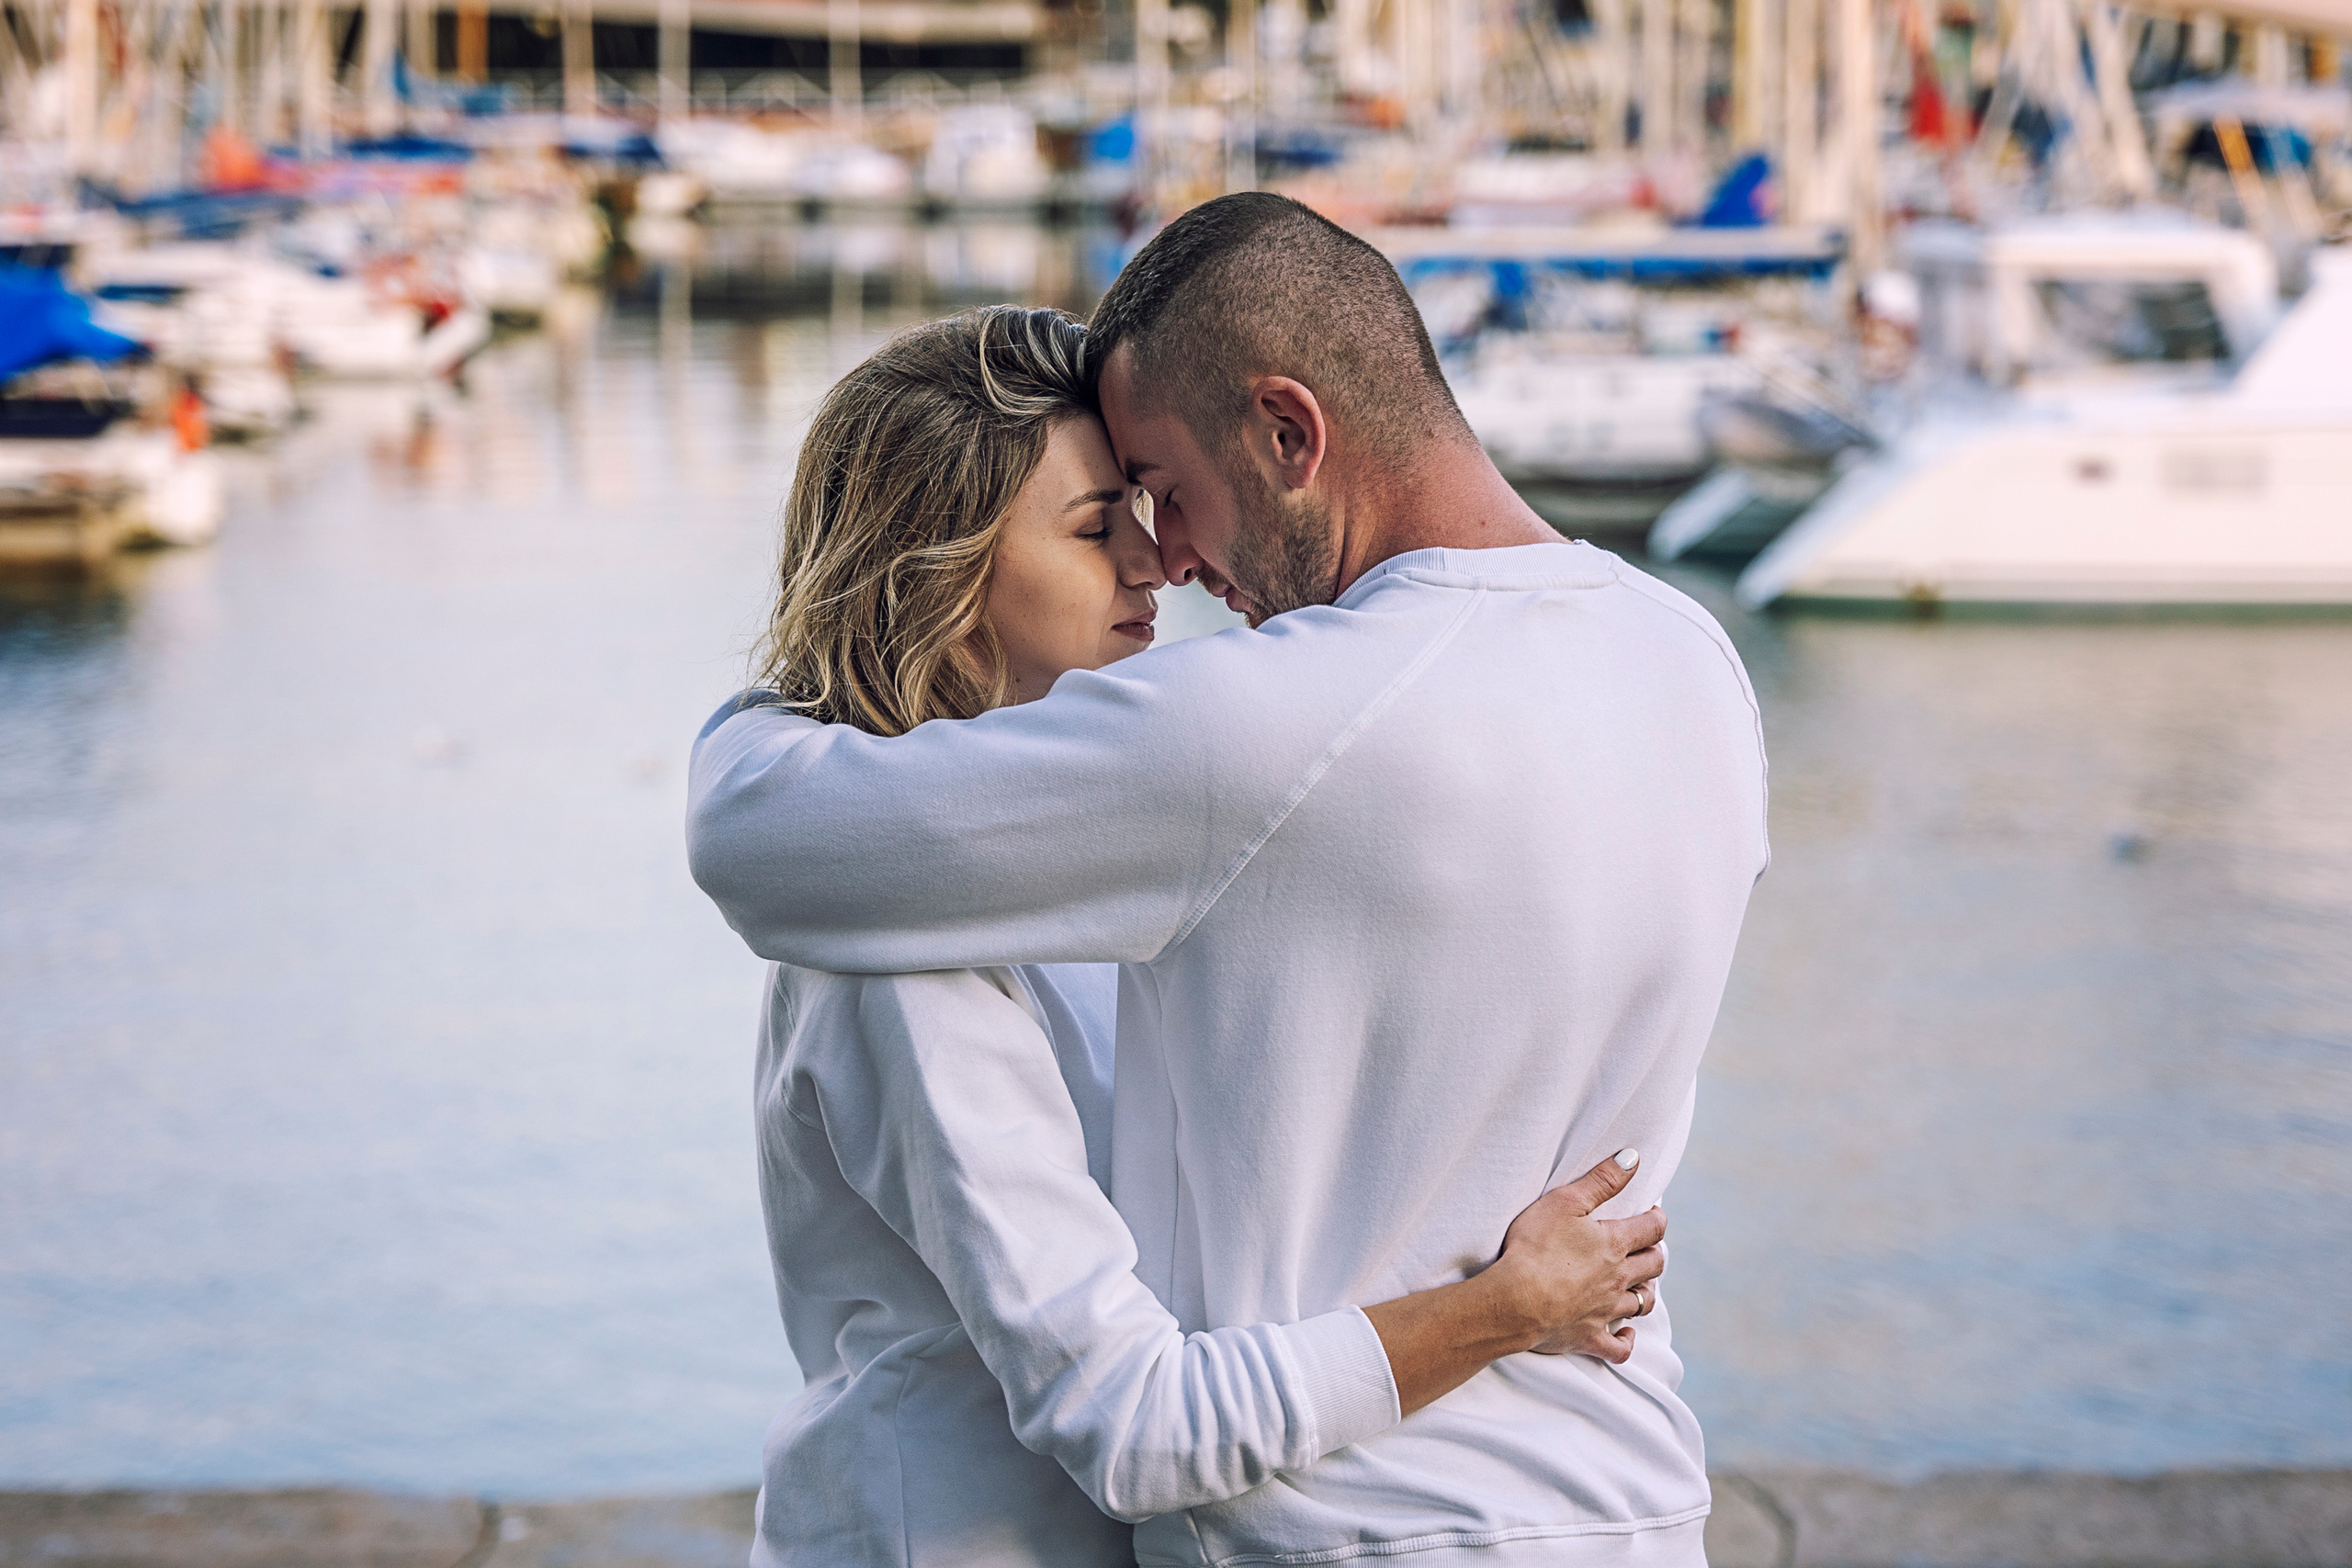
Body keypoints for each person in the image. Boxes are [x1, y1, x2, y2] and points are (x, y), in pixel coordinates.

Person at [693, 195, 1770, 1568]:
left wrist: (759, 730)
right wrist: (1504, 1308)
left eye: (1164, 493)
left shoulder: (1262, 730)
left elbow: (763, 839)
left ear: (1288, 434)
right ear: (946, 579)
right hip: (1622, 1499)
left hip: (1352, 1526)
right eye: (1109, 522)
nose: (1171, 560)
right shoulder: (1693, 663)